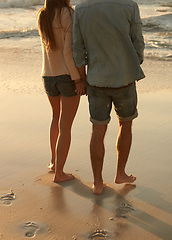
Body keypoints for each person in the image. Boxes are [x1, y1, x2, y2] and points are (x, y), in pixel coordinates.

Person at [72, 0, 145, 194]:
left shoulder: (81, 9)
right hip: (125, 78)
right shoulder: (129, 6)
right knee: (126, 123)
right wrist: (133, 63)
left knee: (98, 129)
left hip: (96, 79)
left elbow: (77, 49)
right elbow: (138, 41)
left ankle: (97, 183)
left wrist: (83, 77)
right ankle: (120, 173)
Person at [37, 0, 86, 183]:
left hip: (47, 75)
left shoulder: (42, 14)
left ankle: (53, 162)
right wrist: (78, 79)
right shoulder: (69, 13)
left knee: (55, 118)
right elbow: (68, 51)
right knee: (66, 127)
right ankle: (59, 173)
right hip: (67, 76)